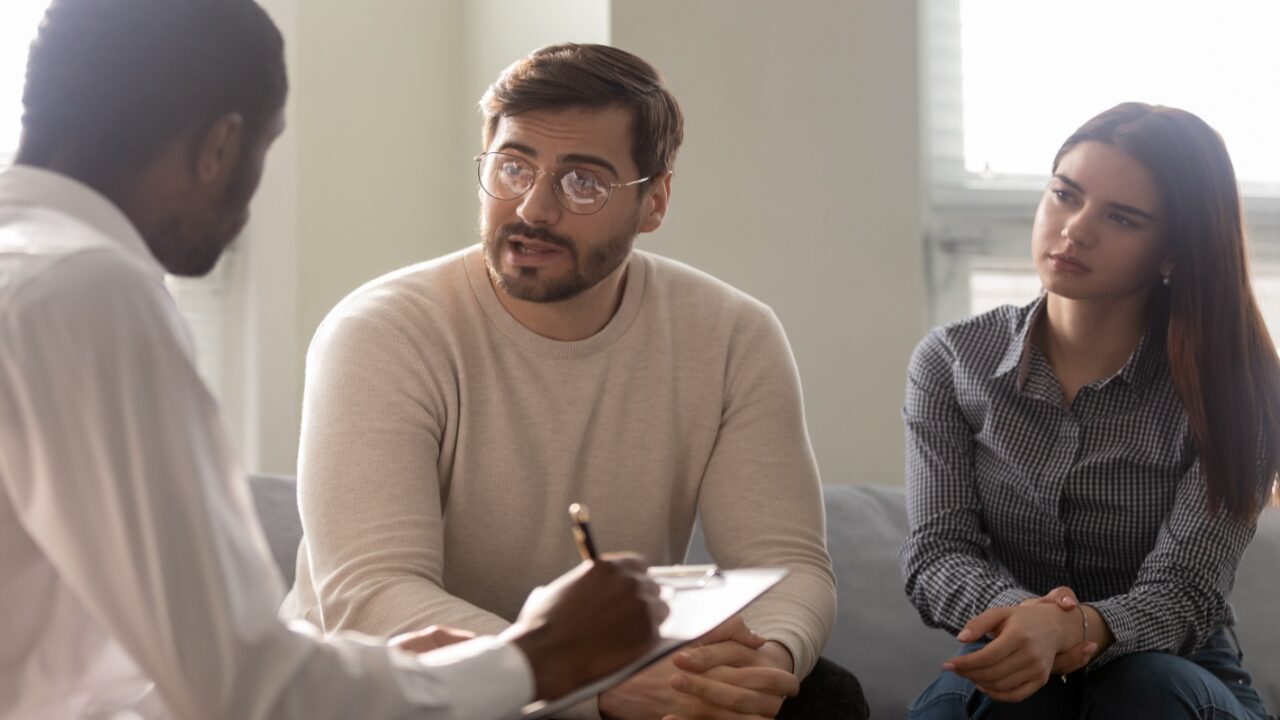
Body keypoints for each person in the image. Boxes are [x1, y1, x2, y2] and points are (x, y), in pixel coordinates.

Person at [0, 2, 668, 718]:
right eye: (265, 149)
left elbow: (85, 677)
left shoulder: (34, 274)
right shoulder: (88, 294)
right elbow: (242, 689)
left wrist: (382, 677)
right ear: (220, 147)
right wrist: (537, 658)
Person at [282, 43, 854, 720]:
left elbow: (787, 565)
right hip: (406, 690)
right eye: (513, 166)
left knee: (820, 697)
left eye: (583, 181)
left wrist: (762, 663)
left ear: (654, 202)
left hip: (610, 670)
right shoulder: (382, 331)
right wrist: (584, 678)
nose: (534, 207)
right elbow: (372, 596)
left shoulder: (733, 335)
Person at [901, 102, 1278, 719]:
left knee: (1146, 689)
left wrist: (1072, 631)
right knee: (1007, 706)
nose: (1074, 229)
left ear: (1173, 254)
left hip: (1179, 673)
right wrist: (1032, 625)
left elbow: (1184, 592)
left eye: (1122, 218)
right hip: (1015, 653)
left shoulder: (1238, 388)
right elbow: (937, 553)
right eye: (1064, 195)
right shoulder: (950, 362)